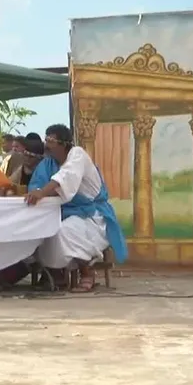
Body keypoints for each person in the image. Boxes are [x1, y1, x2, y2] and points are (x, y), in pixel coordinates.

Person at [25, 124, 127, 292]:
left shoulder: (77, 154)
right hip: (61, 212)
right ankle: (57, 275)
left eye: (51, 140)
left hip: (91, 215)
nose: (46, 145)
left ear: (64, 143)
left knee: (66, 231)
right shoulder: (47, 163)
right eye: (46, 139)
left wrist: (42, 192)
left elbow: (65, 177)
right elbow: (36, 184)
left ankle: (87, 272)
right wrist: (36, 192)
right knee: (43, 230)